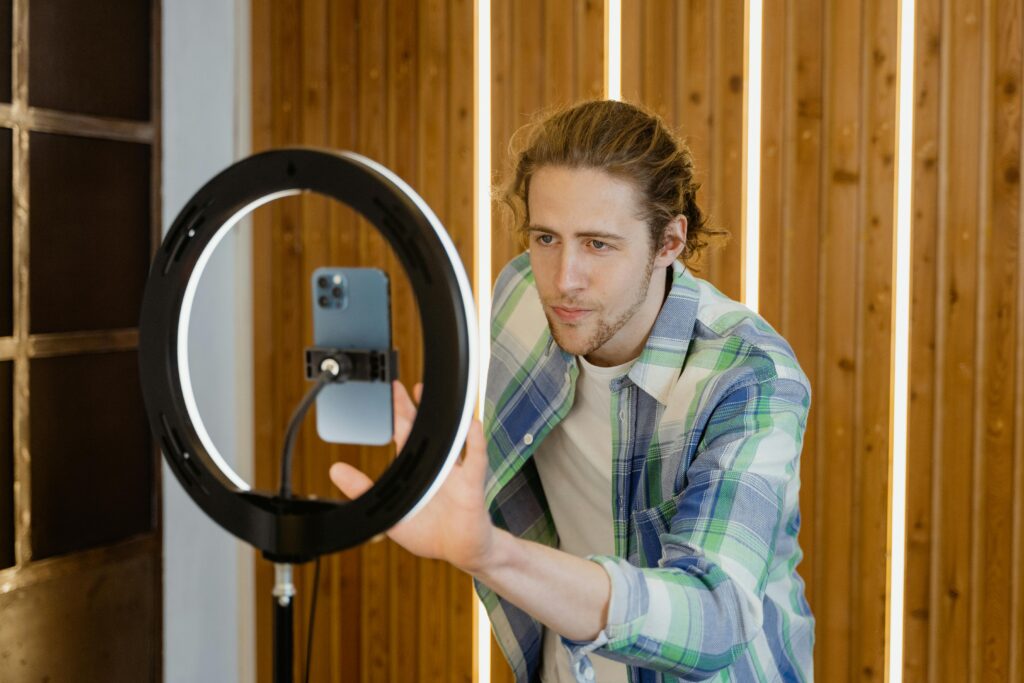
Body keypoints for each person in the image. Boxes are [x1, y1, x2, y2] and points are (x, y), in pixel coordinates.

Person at [330, 99, 814, 682]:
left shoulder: (749, 375)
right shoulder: (519, 299)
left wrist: (491, 554)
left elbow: (714, 615)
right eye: (546, 238)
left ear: (669, 242)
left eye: (598, 244)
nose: (563, 280)